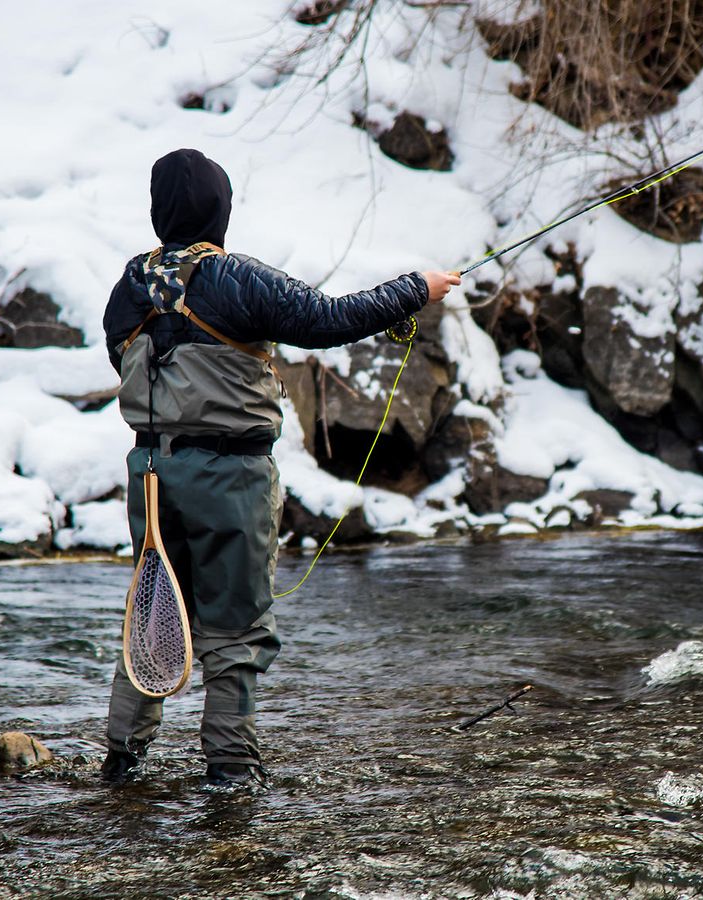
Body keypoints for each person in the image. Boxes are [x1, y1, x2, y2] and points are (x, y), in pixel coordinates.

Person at [99, 148, 460, 786]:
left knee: (154, 612)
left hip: (150, 475)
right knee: (235, 629)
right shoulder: (236, 278)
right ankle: (231, 775)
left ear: (160, 213)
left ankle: (121, 763)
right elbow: (330, 321)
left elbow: (121, 364)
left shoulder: (126, 292)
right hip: (229, 478)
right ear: (221, 210)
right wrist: (418, 289)